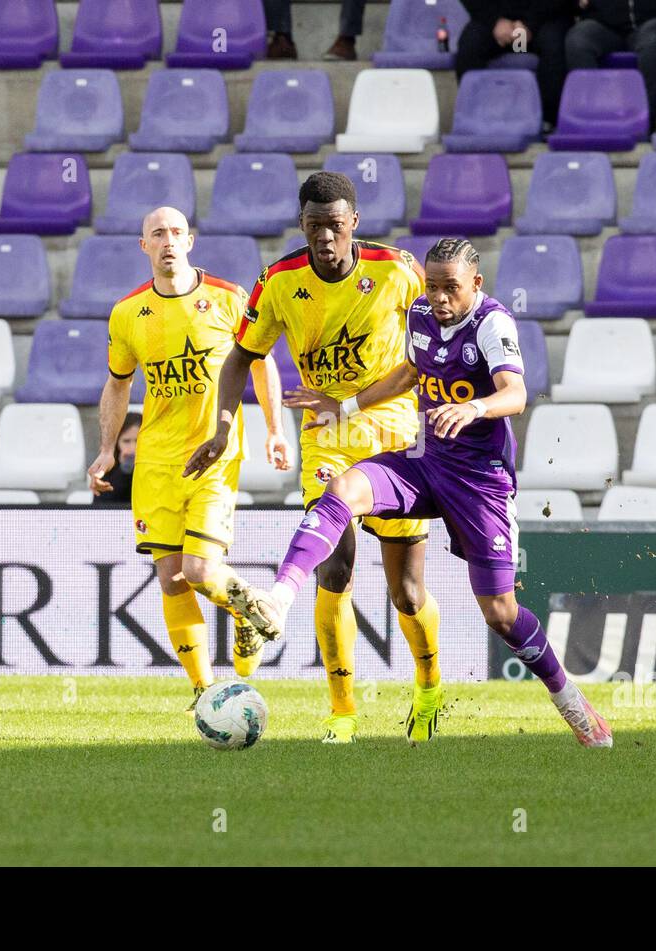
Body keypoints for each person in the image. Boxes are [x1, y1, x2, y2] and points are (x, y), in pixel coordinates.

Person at [226, 239, 613, 749]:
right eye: (431, 286)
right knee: (342, 489)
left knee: (500, 614)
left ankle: (569, 700)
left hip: (480, 481)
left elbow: (516, 394)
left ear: (475, 283)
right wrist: (342, 408)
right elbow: (409, 373)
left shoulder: (492, 323)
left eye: (450, 287)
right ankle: (279, 598)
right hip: (425, 459)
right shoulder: (420, 316)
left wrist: (474, 409)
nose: (438, 297)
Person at [184, 172, 442, 745]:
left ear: (353, 223)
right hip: (324, 436)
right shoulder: (277, 283)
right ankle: (343, 709)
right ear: (301, 226)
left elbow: (435, 347)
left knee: (407, 593)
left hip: (394, 435)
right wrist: (225, 427)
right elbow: (238, 359)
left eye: (335, 224)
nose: (325, 236)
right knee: (336, 571)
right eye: (314, 225)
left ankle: (428, 686)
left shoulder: (397, 270)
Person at [88, 207, 292, 711]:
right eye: (157, 234)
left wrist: (274, 429)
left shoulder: (229, 298)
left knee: (201, 570)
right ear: (144, 246)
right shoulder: (127, 313)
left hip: (215, 454)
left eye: (177, 233)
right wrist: (106, 450)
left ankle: (253, 609)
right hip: (156, 460)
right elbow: (118, 385)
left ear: (191, 241)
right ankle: (204, 692)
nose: (168, 241)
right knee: (171, 576)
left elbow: (259, 366)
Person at [456, 1, 576, 130]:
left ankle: (549, 122)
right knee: (470, 45)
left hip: (546, 18)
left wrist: (529, 23)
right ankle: (473, 118)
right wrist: (495, 21)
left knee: (554, 45)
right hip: (497, 23)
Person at [565, 0, 656, 128]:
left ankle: (644, 122)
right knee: (578, 39)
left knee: (653, 41)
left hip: (655, 23)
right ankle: (588, 120)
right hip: (604, 25)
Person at [91, 412, 140, 506]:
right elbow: (101, 505)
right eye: (126, 441)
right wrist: (124, 472)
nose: (133, 448)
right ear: (117, 443)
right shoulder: (105, 469)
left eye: (138, 441)